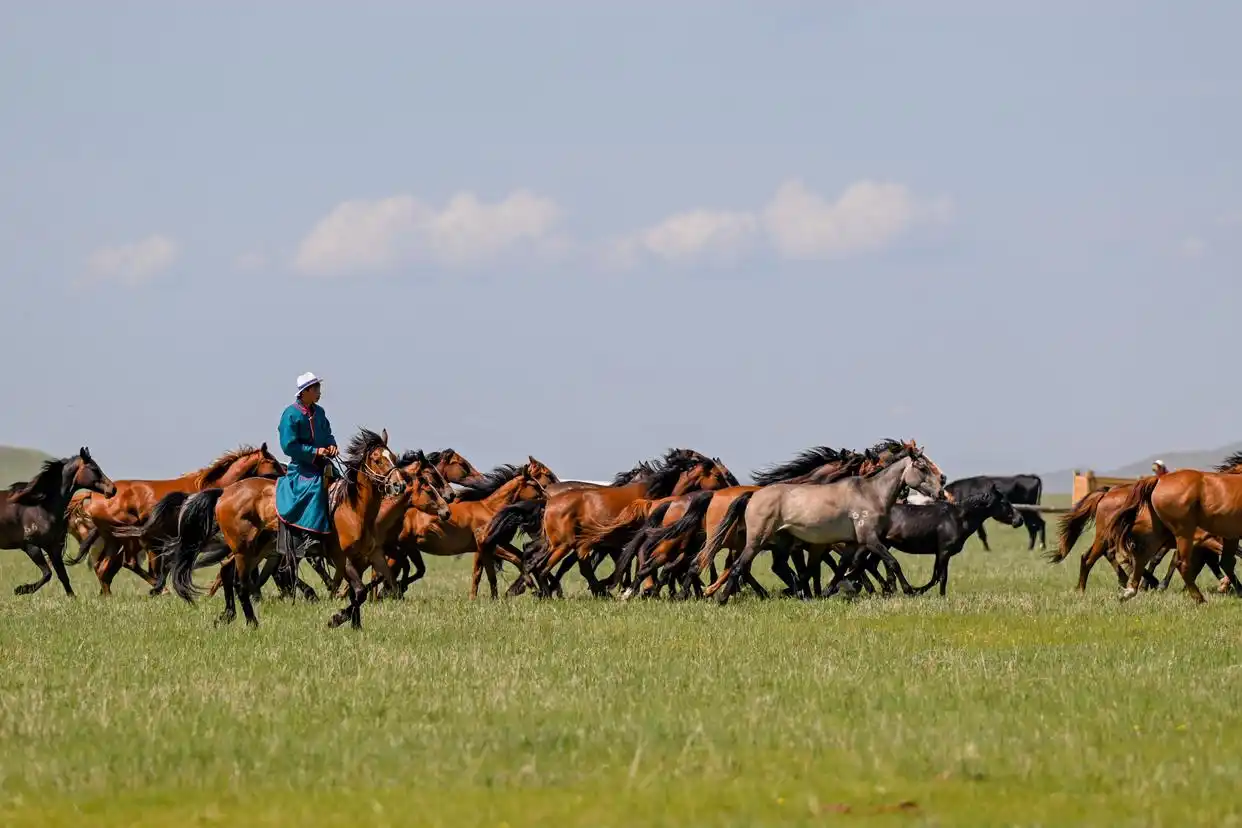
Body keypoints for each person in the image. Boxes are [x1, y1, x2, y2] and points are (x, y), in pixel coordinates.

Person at [275, 372, 338, 564]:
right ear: (306, 391)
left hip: (322, 464)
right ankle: (310, 537)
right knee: (316, 486)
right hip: (302, 468)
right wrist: (315, 451)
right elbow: (288, 446)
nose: (320, 392)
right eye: (316, 389)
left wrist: (332, 444)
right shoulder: (290, 414)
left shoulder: (320, 412)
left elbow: (327, 433)